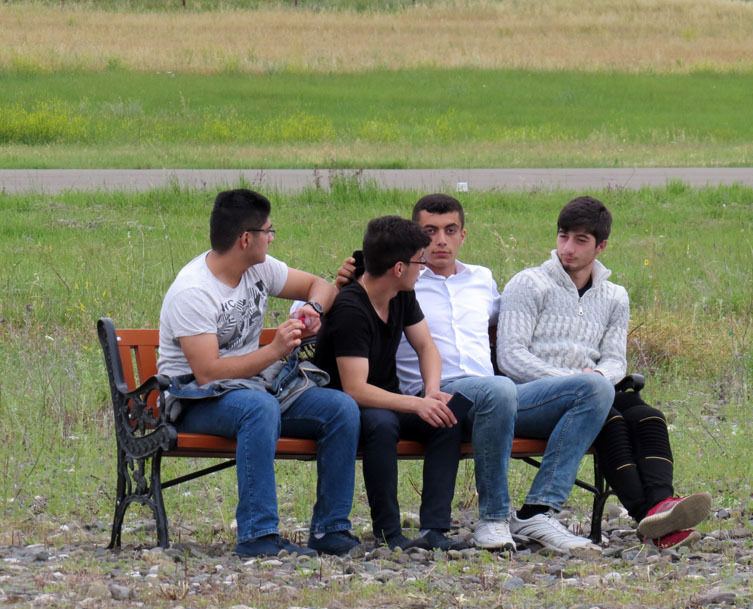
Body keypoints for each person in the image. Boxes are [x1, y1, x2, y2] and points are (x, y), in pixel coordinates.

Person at [337, 195, 614, 554]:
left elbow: (519, 327)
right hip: (439, 397)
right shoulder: (403, 279)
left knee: (596, 388)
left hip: (497, 398)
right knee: (498, 389)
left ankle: (537, 511)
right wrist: (341, 283)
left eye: (450, 231)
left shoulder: (481, 279)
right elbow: (343, 306)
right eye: (430, 232)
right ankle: (493, 519)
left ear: (463, 235)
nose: (440, 241)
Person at [498, 195, 712, 549]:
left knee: (648, 416)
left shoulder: (614, 296)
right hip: (536, 396)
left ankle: (661, 507)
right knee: (609, 419)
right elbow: (511, 357)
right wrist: (578, 383)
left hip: (592, 391)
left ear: (601, 246)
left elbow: (614, 359)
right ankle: (651, 517)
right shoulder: (529, 283)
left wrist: (599, 379)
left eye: (580, 240)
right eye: (563, 236)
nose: (568, 248)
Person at [157, 189, 361, 558]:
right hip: (194, 399)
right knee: (258, 409)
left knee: (340, 408)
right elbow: (208, 373)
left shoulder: (260, 268)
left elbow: (320, 286)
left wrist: (313, 309)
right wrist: (275, 350)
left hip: (253, 388)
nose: (272, 238)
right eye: (268, 231)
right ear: (245, 239)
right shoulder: (193, 291)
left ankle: (330, 529)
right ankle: (258, 535)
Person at [314, 215, 467, 551]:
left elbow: (426, 347)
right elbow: (355, 388)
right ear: (399, 268)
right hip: (346, 407)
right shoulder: (351, 308)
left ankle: (435, 529)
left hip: (387, 398)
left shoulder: (400, 294)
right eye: (419, 262)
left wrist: (431, 392)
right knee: (382, 424)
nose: (423, 269)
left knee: (447, 416)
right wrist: (416, 404)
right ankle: (389, 532)